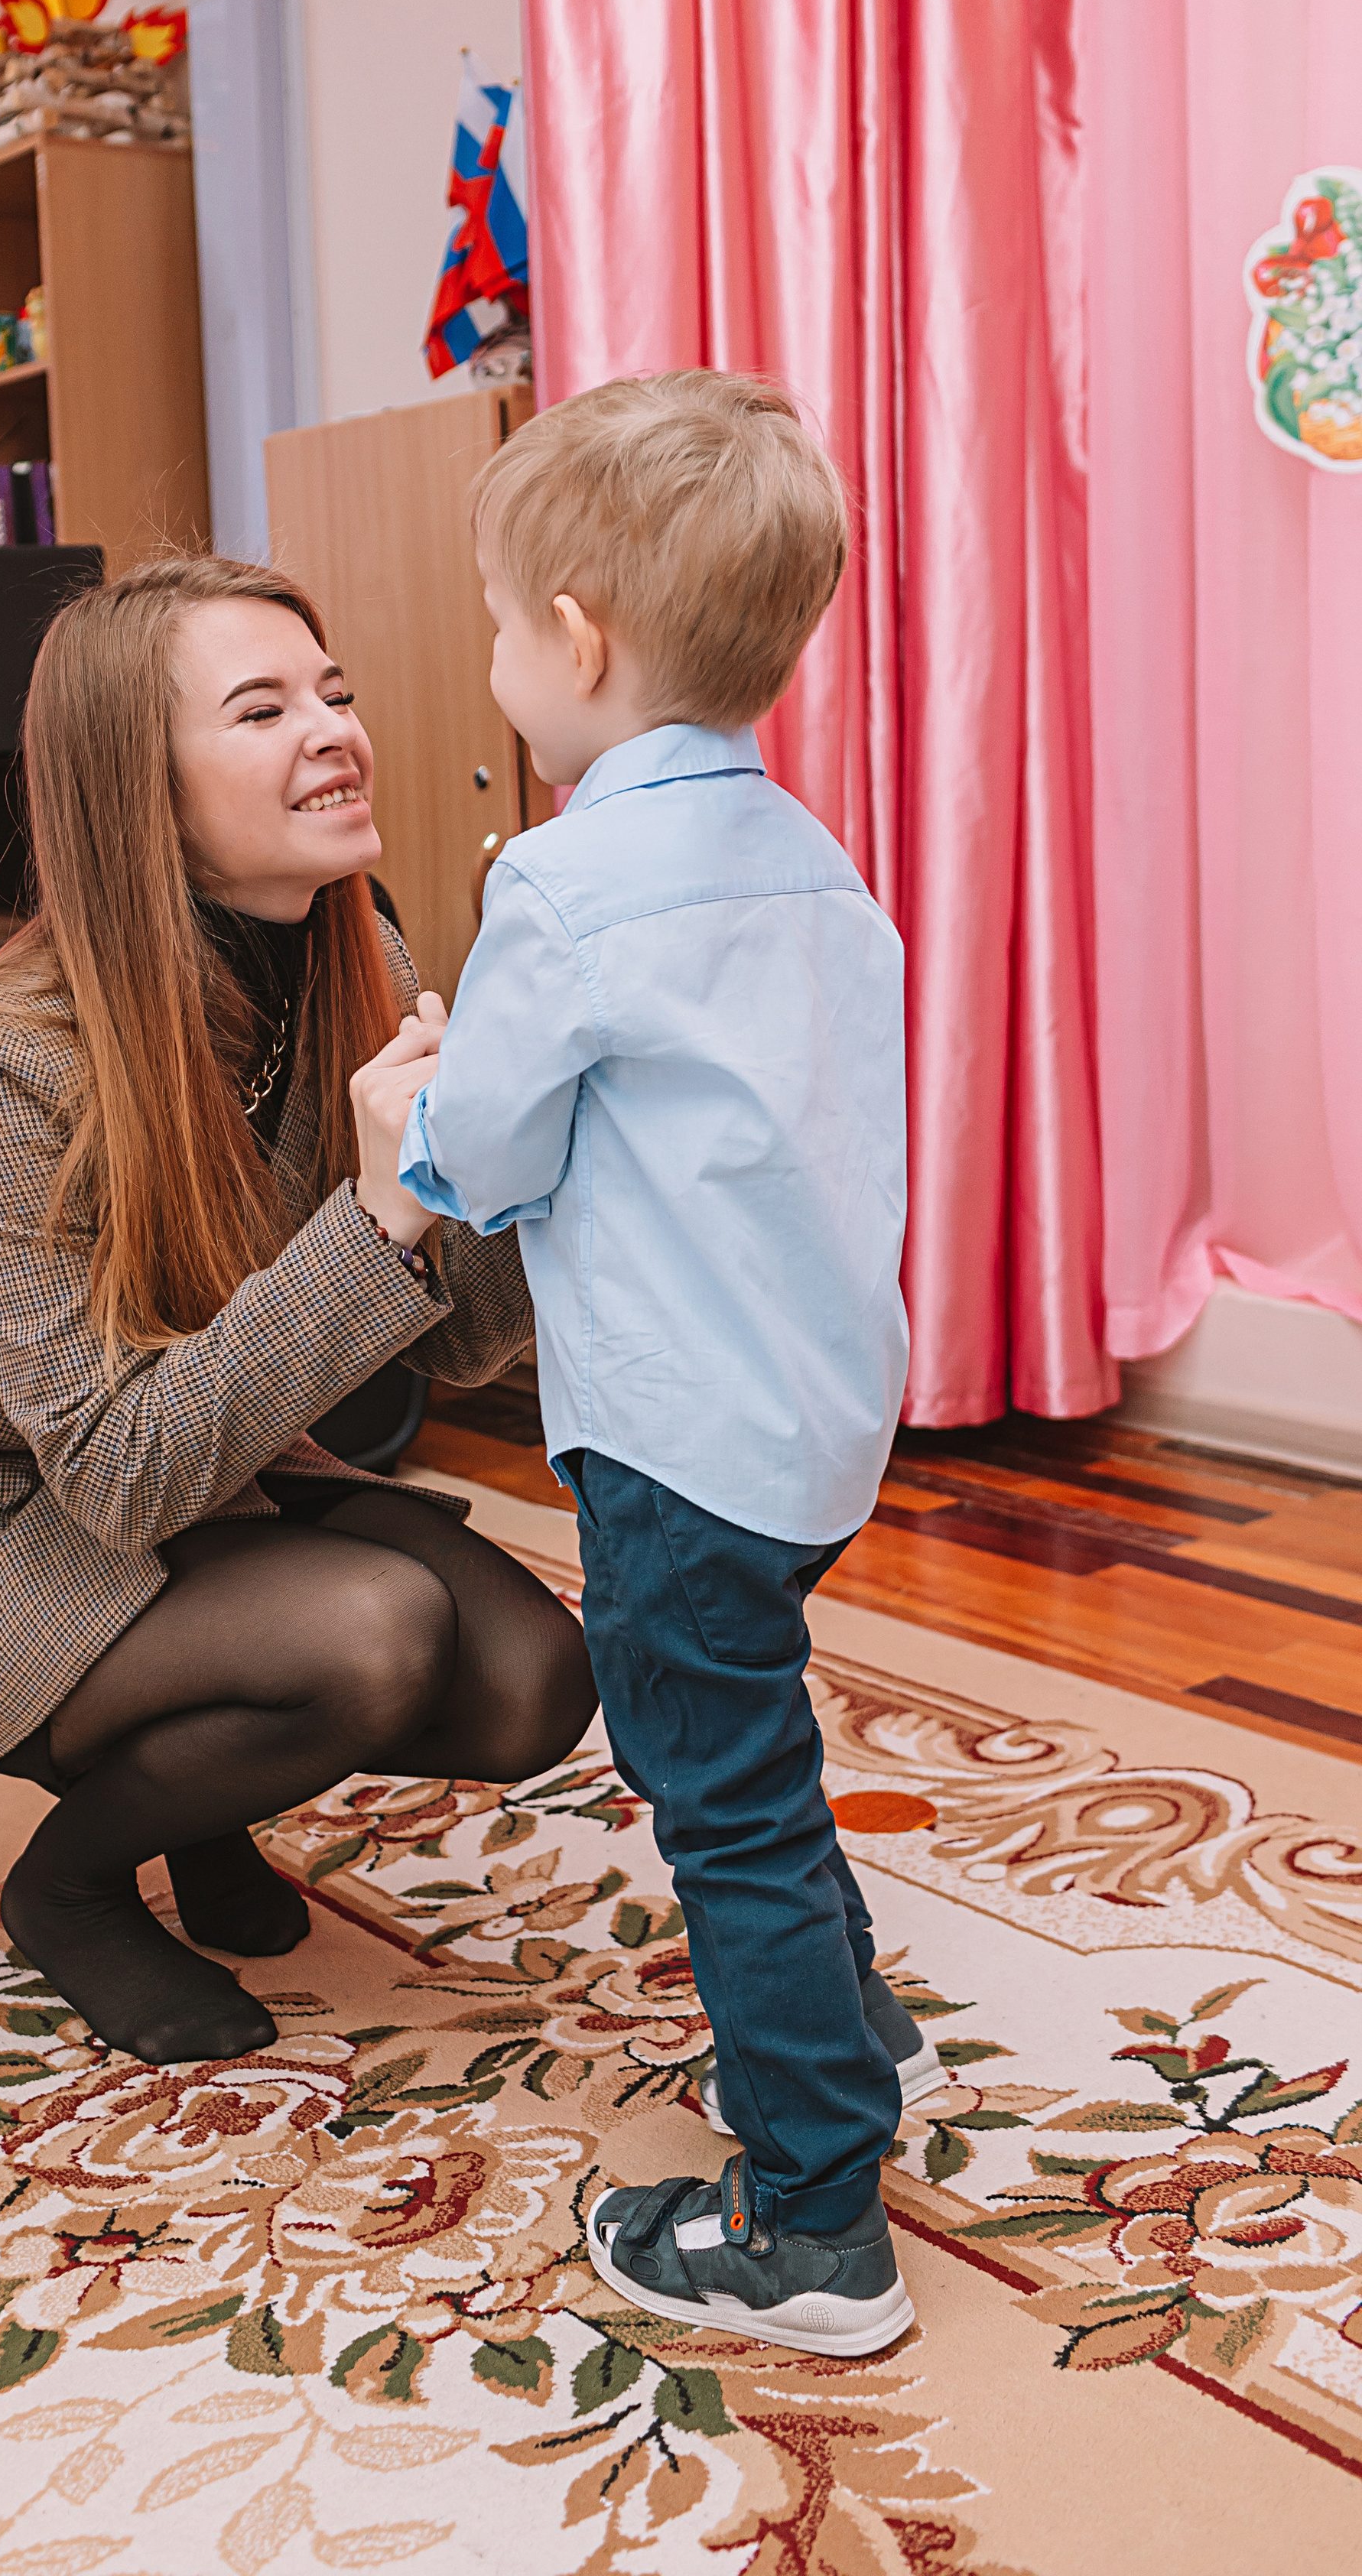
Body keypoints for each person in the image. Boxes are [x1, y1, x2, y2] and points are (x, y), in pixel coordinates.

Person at [0, 555, 596, 2068]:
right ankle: (70, 1885)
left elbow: (455, 1339)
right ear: (141, 794)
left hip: (229, 1492)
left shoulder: (357, 954)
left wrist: (521, 1149)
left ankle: (202, 1794)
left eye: (335, 692)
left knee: (531, 1684)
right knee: (369, 1637)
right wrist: (382, 1213)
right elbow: (115, 1476)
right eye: (261, 709)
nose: (334, 732)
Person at [364, 372, 928, 2359]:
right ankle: (852, 2017)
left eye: (505, 622)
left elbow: (496, 1152)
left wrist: (412, 1129)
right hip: (820, 1414)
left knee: (724, 1802)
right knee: (763, 1732)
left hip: (677, 1437)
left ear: (574, 640)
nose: (504, 657)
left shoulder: (566, 884)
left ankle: (812, 2226)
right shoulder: (818, 871)